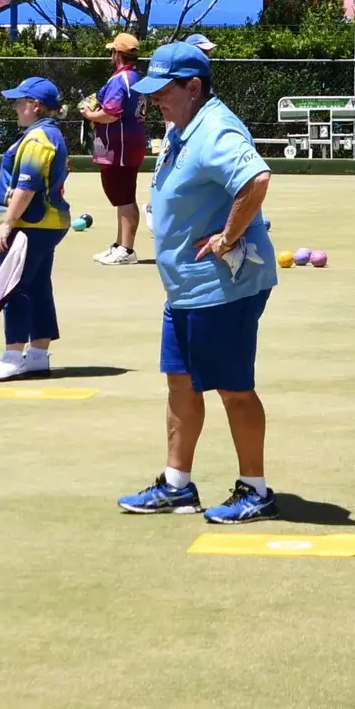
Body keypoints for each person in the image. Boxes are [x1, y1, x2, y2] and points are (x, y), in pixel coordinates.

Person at [115, 42, 284, 523]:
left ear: (194, 87)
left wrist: (229, 234)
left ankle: (256, 490)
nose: (155, 100)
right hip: (185, 288)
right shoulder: (182, 126)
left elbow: (256, 179)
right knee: (181, 386)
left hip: (222, 287)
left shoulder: (215, 128)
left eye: (164, 91)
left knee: (233, 388)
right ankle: (177, 486)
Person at [0, 77, 71, 382]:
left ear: (35, 106)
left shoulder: (37, 139)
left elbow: (27, 186)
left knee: (14, 287)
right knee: (37, 287)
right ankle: (37, 355)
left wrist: (7, 223)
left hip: (30, 224)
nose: (16, 107)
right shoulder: (48, 134)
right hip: (46, 224)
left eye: (20, 102)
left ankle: (12, 355)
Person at [82, 32, 149, 265]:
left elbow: (110, 113)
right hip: (128, 144)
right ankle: (120, 244)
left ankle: (127, 250)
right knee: (122, 196)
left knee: (125, 196)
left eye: (112, 51)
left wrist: (89, 114)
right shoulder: (136, 78)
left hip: (119, 146)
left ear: (118, 54)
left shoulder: (121, 80)